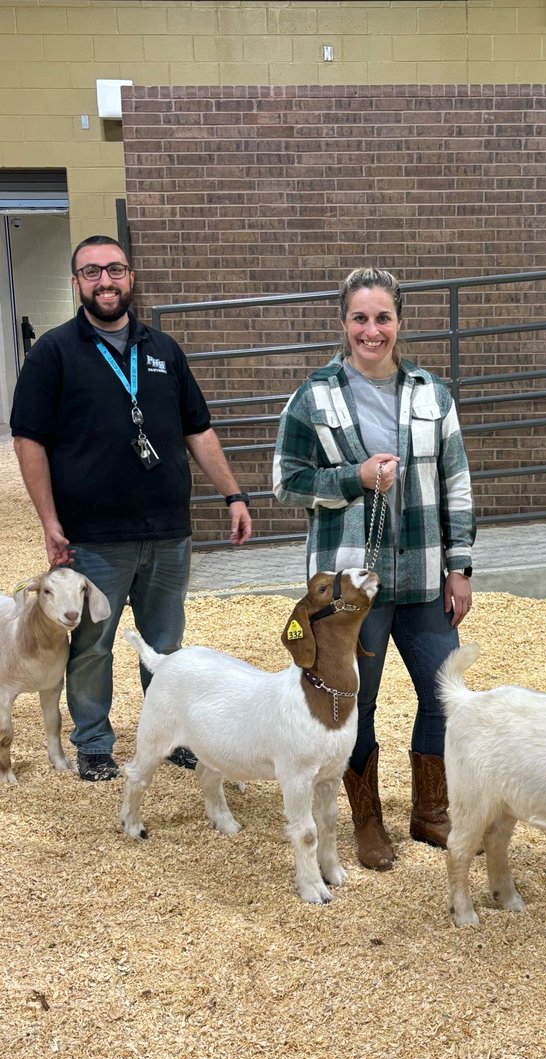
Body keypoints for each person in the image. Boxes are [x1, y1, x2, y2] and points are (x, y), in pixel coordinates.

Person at [10, 234, 252, 782]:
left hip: (168, 531)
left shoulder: (163, 350)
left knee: (165, 643)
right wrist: (50, 523)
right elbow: (29, 441)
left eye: (115, 270)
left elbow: (199, 430)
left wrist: (233, 494)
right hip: (93, 537)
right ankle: (94, 742)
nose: (105, 281)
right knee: (92, 644)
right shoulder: (54, 352)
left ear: (131, 278)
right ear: (76, 283)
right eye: (91, 272)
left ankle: (171, 732)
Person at [273, 267, 475, 871]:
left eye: (382, 317)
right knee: (353, 703)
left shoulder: (433, 394)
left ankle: (430, 811)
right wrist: (350, 480)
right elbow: (286, 481)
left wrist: (460, 565)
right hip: (347, 587)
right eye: (360, 318)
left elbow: (457, 483)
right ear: (344, 324)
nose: (371, 329)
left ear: (399, 323)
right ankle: (365, 820)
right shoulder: (314, 395)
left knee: (445, 695)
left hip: (423, 577)